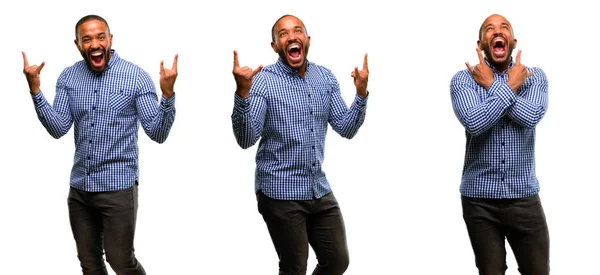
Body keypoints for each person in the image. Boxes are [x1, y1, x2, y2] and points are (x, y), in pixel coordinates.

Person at [22, 14, 178, 275]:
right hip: (80, 190)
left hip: (117, 190)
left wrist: (168, 94)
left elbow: (157, 132)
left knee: (121, 261)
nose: (94, 43)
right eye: (87, 39)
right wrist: (36, 90)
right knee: (90, 264)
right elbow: (58, 128)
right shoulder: (69, 78)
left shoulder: (135, 77)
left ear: (110, 39)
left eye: (100, 36)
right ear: (78, 44)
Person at [231, 14, 369, 275]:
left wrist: (361, 94)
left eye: (297, 31)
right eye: (283, 34)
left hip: (317, 188)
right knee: (295, 268)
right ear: (274, 46)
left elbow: (346, 128)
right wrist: (242, 93)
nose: (291, 36)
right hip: (279, 190)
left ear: (307, 40)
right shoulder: (263, 82)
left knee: (337, 260)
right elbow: (246, 139)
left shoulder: (325, 78)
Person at [450, 14, 550, 274]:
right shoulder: (463, 80)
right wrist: (509, 87)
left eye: (504, 27)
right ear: (481, 43)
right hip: (479, 201)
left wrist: (493, 85)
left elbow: (531, 117)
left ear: (512, 42)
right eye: (489, 29)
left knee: (538, 271)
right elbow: (474, 122)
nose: (497, 31)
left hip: (525, 198)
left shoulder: (534, 77)